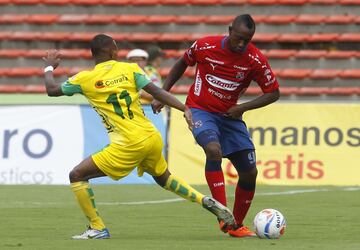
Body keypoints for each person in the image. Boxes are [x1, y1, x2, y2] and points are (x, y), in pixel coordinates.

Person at [42, 34, 236, 240]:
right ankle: (204, 199)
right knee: (164, 178)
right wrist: (184, 108)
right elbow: (156, 92)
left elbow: (52, 90)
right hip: (151, 135)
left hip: (128, 143)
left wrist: (49, 68)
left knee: (77, 175)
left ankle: (97, 228)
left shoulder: (83, 79)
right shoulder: (130, 69)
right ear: (113, 52)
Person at [152, 14, 280, 237]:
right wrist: (163, 94)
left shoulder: (255, 59)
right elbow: (182, 63)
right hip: (200, 110)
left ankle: (236, 225)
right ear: (230, 30)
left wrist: (242, 108)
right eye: (238, 38)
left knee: (250, 172)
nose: (241, 44)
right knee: (213, 150)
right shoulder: (205, 46)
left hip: (230, 116)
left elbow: (273, 93)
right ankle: (223, 214)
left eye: (246, 40)